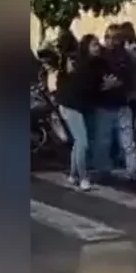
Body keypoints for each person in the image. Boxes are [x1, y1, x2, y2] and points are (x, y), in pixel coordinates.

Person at [92, 25, 136, 188]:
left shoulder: (126, 58)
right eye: (108, 37)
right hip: (107, 104)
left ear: (120, 39)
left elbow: (129, 81)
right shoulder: (101, 56)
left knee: (124, 142)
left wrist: (114, 84)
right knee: (106, 141)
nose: (110, 41)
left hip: (119, 105)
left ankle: (131, 171)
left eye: (114, 38)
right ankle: (107, 170)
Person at [55, 34, 101, 190]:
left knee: (78, 142)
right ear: (86, 47)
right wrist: (103, 86)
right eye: (94, 45)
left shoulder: (91, 63)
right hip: (71, 105)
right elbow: (85, 87)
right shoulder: (80, 63)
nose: (98, 48)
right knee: (82, 142)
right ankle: (83, 177)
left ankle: (73, 175)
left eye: (98, 44)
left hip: (77, 105)